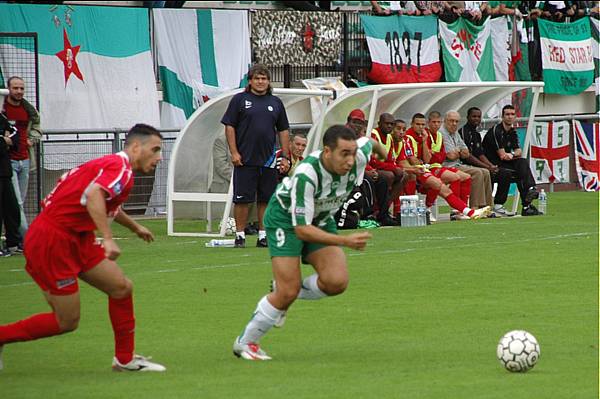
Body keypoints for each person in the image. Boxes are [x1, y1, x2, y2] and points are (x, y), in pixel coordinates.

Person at [0, 124, 166, 372]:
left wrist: (135, 227)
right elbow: (94, 196)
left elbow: (102, 200)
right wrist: (108, 238)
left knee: (121, 288)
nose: (159, 157)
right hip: (53, 240)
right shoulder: (120, 168)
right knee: (66, 321)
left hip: (77, 236)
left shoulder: (113, 166)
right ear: (135, 147)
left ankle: (124, 359)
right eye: (155, 150)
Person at [232, 125, 388, 361]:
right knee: (288, 291)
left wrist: (383, 152)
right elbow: (302, 229)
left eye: (352, 153)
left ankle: (283, 291)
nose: (350, 160)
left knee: (336, 281)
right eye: (343, 154)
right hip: (286, 220)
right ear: (327, 151)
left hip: (321, 219)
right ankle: (246, 343)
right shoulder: (307, 174)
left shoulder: (358, 154)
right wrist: (344, 240)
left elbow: (370, 143)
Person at [221, 64, 291, 248]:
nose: (261, 82)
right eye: (257, 78)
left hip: (268, 160)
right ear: (250, 81)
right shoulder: (239, 100)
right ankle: (240, 235)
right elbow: (229, 126)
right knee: (242, 199)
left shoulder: (276, 102)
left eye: (264, 78)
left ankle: (263, 235)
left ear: (268, 82)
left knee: (266, 198)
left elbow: (283, 130)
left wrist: (285, 156)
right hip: (244, 159)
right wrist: (234, 152)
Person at [404, 113, 490, 220]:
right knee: (448, 180)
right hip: (424, 168)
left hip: (431, 166)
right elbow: (425, 159)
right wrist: (430, 154)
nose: (421, 127)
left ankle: (463, 211)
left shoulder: (432, 136)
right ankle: (436, 209)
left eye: (438, 122)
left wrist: (432, 153)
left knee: (465, 177)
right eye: (418, 124)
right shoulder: (409, 137)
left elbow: (439, 157)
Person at [2, 76, 42, 244]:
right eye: (15, 88)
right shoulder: (3, 109)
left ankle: (16, 238)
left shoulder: (28, 109)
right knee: (17, 202)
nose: (19, 91)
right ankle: (25, 239)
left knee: (20, 201)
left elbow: (37, 128)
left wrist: (31, 140)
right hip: (8, 161)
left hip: (25, 160)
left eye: (21, 88)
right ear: (8, 89)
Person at [482, 104, 540, 216]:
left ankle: (529, 195)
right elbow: (502, 155)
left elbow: (519, 151)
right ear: (502, 116)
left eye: (512, 114)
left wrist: (512, 154)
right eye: (507, 114)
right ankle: (499, 204)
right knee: (510, 173)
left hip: (505, 163)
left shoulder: (512, 131)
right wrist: (511, 154)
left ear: (515, 117)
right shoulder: (496, 131)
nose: (510, 117)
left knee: (522, 162)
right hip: (492, 165)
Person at [459, 107, 514, 216]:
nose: (476, 119)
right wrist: (486, 167)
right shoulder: (463, 132)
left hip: (478, 166)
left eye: (479, 117)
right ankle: (479, 207)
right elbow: (468, 156)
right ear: (467, 117)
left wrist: (491, 166)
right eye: (474, 116)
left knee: (504, 173)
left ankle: (494, 205)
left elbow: (480, 154)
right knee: (484, 172)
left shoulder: (477, 134)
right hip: (466, 165)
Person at [346, 109, 396, 226]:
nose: (357, 126)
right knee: (368, 181)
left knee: (382, 180)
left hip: (361, 170)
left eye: (360, 123)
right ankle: (367, 214)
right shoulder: (344, 136)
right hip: (346, 173)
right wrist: (368, 171)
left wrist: (370, 170)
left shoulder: (363, 138)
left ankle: (383, 215)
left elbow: (367, 158)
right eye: (355, 122)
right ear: (348, 121)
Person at [440, 110, 493, 210]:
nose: (454, 124)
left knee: (485, 172)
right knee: (477, 173)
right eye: (451, 121)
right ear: (445, 121)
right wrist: (459, 152)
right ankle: (475, 207)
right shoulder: (442, 133)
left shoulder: (455, 133)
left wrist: (458, 151)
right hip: (447, 166)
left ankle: (487, 207)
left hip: (457, 165)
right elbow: (451, 155)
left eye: (456, 121)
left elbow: (466, 152)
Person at [370, 113, 405, 218]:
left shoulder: (389, 137)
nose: (389, 126)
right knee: (389, 176)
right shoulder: (374, 135)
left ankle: (384, 209)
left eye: (391, 124)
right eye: (386, 123)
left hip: (382, 167)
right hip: (371, 168)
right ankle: (377, 210)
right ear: (379, 123)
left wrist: (395, 168)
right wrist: (394, 168)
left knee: (404, 175)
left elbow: (390, 159)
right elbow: (372, 161)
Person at [0, 112, 22, 257]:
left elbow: (16, 136)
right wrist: (4, 140)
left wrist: (7, 139)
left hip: (5, 172)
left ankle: (13, 243)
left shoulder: (2, 119)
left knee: (12, 208)